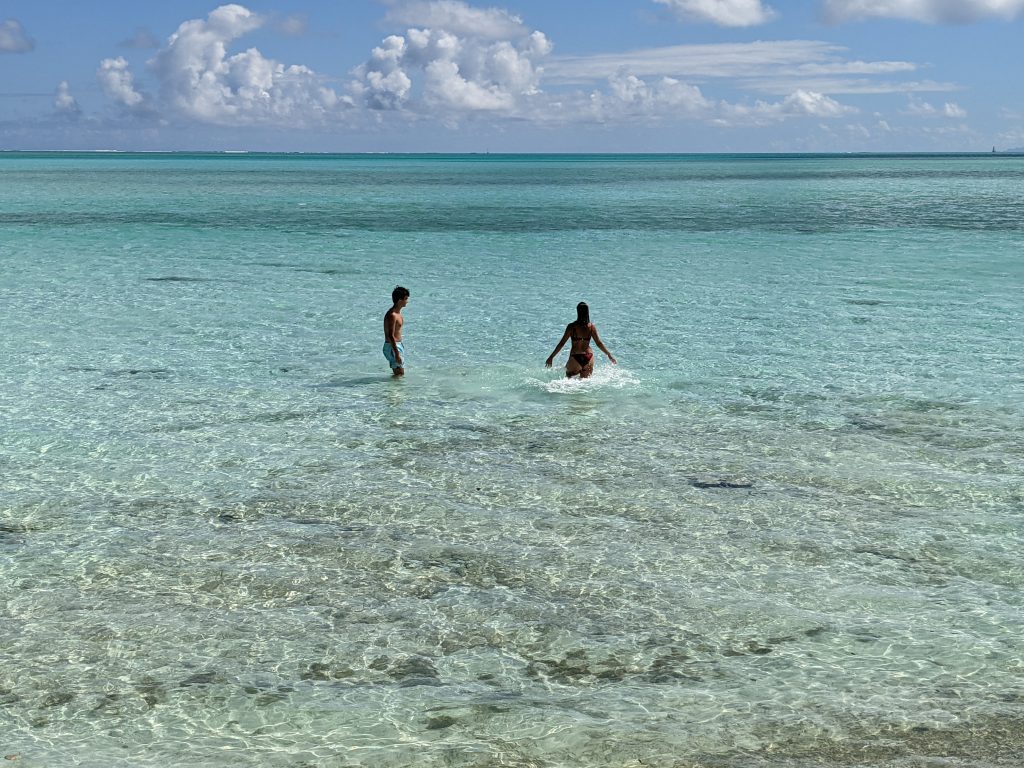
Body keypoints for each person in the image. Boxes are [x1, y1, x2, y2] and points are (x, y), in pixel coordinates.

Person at [545, 301, 616, 378]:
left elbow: (562, 343)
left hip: (575, 357)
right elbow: (599, 343)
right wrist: (609, 354)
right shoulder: (591, 327)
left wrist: (551, 357)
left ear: (578, 312)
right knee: (584, 385)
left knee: (568, 378)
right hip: (589, 357)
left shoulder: (571, 327)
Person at [383, 286, 410, 376]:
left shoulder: (398, 313)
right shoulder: (392, 315)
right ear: (399, 300)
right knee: (399, 374)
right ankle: (393, 390)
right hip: (392, 346)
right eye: (406, 299)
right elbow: (390, 335)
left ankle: (393, 389)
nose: (407, 301)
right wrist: (397, 353)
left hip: (396, 346)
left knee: (398, 375)